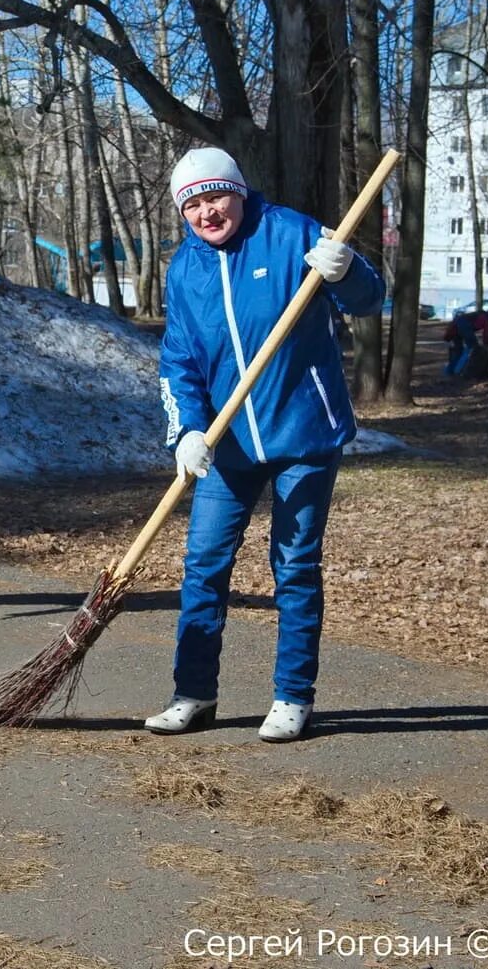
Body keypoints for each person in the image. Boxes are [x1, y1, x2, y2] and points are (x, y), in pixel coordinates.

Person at [148, 147, 385, 742]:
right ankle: (194, 693)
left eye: (215, 197)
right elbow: (178, 359)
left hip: (304, 433)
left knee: (295, 565)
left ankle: (292, 696)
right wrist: (188, 430)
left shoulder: (289, 233)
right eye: (194, 204)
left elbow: (367, 300)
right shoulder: (185, 269)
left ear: (239, 192)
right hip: (227, 445)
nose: (207, 213)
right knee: (203, 565)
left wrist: (346, 268)